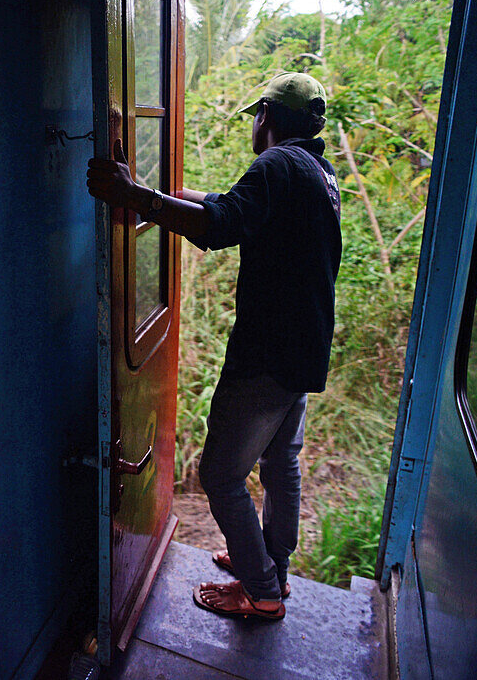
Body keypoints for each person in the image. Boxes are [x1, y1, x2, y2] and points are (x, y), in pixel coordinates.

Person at [87, 72, 342, 621]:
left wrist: (137, 197)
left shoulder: (276, 164)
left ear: (266, 117)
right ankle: (273, 568)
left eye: (257, 115)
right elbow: (238, 208)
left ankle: (262, 591)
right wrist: (170, 196)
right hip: (303, 350)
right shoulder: (318, 171)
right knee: (281, 465)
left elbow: (221, 225)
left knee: (220, 476)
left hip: (267, 354)